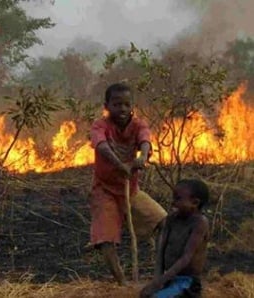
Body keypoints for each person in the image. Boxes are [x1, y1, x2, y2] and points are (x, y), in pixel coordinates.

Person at [89, 82, 168, 285]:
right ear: (107, 106)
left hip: (131, 191)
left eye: (126, 104)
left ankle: (160, 275)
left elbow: (145, 140)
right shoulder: (100, 126)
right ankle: (122, 283)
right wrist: (120, 165)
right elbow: (102, 146)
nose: (122, 109)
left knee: (165, 222)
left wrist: (142, 156)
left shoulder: (139, 124)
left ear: (132, 105)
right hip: (105, 190)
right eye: (117, 104)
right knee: (106, 239)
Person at [140, 178, 210, 298]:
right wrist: (157, 280)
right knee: (145, 295)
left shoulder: (199, 223)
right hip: (169, 278)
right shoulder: (171, 219)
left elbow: (186, 257)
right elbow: (161, 250)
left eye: (178, 199)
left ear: (195, 202)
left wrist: (159, 282)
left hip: (187, 281)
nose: (173, 202)